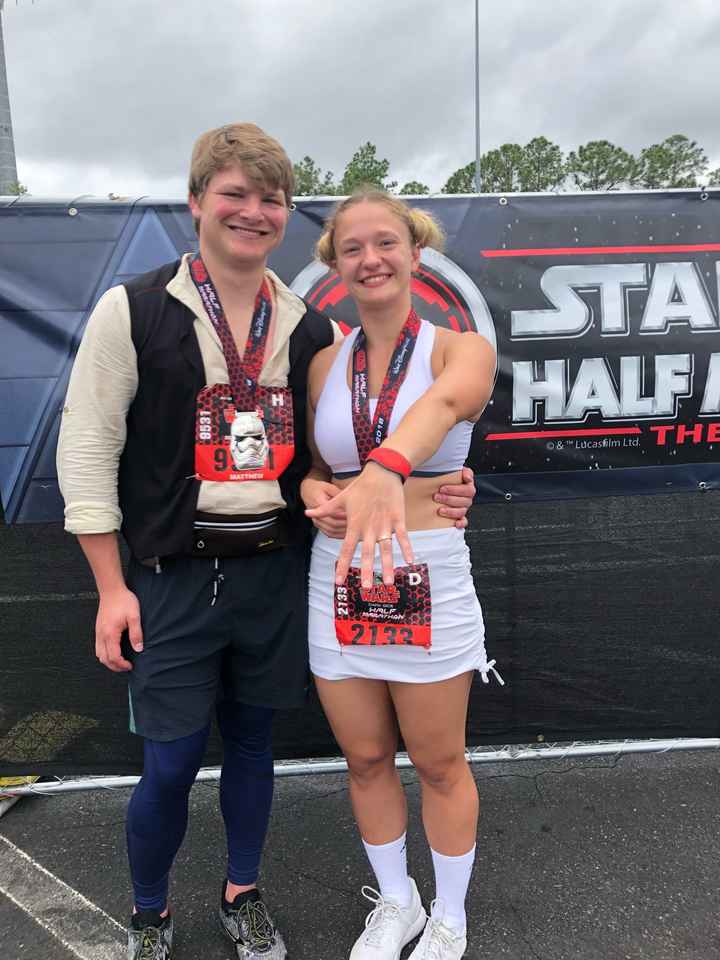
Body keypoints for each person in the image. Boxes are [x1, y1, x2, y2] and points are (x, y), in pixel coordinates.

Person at [56, 123, 476, 960]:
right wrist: (110, 587)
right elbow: (88, 450)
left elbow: (331, 456)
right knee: (169, 766)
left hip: (275, 574)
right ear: (197, 203)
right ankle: (150, 912)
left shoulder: (305, 329)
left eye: (270, 198)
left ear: (286, 215)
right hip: (171, 577)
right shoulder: (134, 308)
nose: (252, 212)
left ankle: (241, 895)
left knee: (253, 749)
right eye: (234, 194)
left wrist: (428, 484)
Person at [301, 190, 501, 960]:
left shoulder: (458, 347)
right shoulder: (324, 363)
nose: (371, 259)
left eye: (386, 243)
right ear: (336, 266)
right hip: (339, 574)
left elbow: (454, 402)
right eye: (353, 248)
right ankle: (398, 901)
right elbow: (315, 471)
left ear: (416, 254)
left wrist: (389, 468)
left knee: (440, 760)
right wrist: (313, 490)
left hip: (429, 569)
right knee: (365, 757)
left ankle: (449, 914)